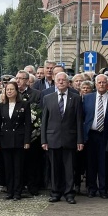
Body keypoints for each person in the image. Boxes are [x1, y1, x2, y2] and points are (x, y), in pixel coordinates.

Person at [41, 72, 84, 204]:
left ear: (68, 82)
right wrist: (44, 140)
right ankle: (55, 193)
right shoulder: (48, 98)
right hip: (53, 138)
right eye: (58, 80)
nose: (60, 82)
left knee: (69, 168)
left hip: (70, 138)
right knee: (55, 168)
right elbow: (44, 121)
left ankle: (69, 193)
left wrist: (80, 140)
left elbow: (79, 121)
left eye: (63, 80)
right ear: (54, 81)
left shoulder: (76, 98)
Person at [0, 82, 31, 200]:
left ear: (16, 91)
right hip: (5, 139)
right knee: (8, 167)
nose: (9, 91)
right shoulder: (1, 105)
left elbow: (28, 124)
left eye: (11, 89)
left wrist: (27, 140)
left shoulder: (24, 104)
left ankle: (17, 192)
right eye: (7, 90)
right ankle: (10, 191)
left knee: (18, 167)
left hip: (19, 139)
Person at [83, 74, 108, 198]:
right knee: (90, 163)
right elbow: (83, 116)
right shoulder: (87, 98)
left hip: (105, 135)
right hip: (91, 135)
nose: (101, 85)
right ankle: (91, 189)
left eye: (104, 82)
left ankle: (103, 189)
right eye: (99, 82)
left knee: (104, 163)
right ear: (95, 84)